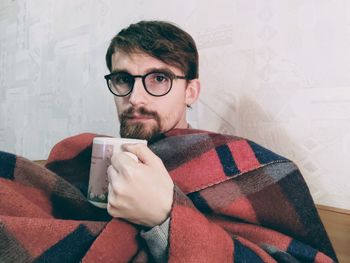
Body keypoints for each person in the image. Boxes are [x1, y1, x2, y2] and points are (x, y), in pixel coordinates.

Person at [102, 21, 337, 262]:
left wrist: (164, 219)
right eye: (123, 79)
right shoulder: (97, 160)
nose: (135, 98)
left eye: (159, 78)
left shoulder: (254, 168)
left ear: (190, 92)